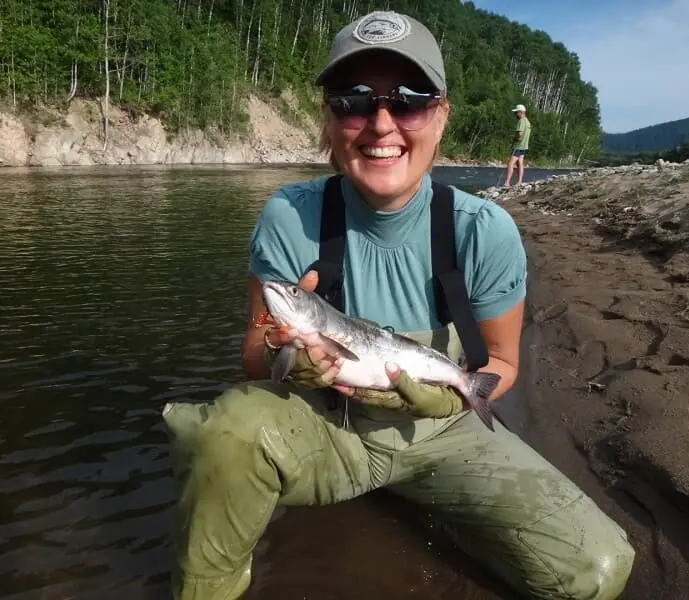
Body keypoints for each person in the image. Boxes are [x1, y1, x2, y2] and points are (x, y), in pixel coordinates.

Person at [162, 10, 635, 600]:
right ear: (329, 122)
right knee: (222, 432)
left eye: (409, 100)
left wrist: (450, 396)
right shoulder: (289, 217)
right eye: (352, 100)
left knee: (598, 570)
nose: (381, 124)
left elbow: (502, 366)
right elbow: (256, 359)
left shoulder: (483, 231)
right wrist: (288, 354)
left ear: (440, 118)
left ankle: (457, 513)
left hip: (447, 433)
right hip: (327, 425)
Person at [502, 103, 532, 188]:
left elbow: (520, 134)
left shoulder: (521, 121)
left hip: (518, 145)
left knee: (511, 163)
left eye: (516, 112)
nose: (515, 114)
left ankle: (507, 183)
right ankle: (519, 182)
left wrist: (512, 136)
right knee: (520, 164)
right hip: (524, 146)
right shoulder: (528, 122)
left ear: (521, 112)